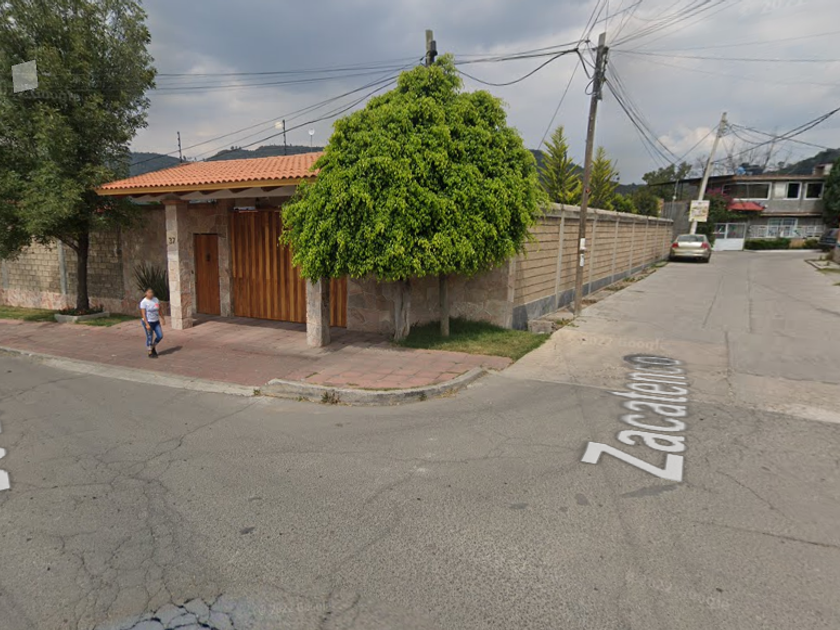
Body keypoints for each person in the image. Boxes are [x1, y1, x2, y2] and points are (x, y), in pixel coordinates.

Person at [140, 288, 165, 358]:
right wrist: (147, 324)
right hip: (148, 321)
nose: (151, 294)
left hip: (156, 321)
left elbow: (159, 309)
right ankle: (150, 351)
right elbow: (143, 314)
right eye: (149, 292)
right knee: (150, 336)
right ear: (146, 293)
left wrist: (162, 318)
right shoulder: (144, 302)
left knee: (160, 336)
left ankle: (153, 346)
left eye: (152, 292)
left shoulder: (156, 299)